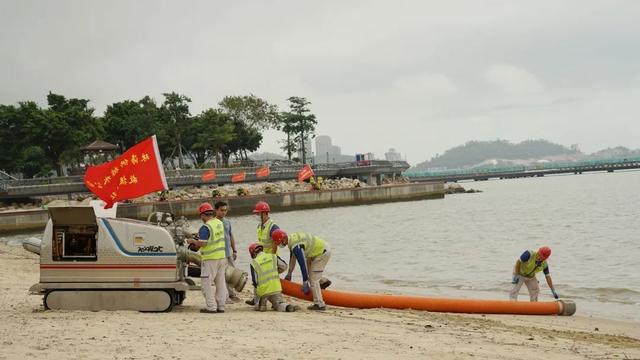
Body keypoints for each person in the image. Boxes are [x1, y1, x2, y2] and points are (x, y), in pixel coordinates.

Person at [273, 229, 331, 311]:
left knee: (313, 279)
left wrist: (305, 282)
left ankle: (320, 304)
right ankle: (323, 282)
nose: (279, 245)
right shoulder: (291, 241)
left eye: (279, 243)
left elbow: (302, 264)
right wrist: (289, 273)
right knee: (313, 276)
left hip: (322, 252)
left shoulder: (296, 246)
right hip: (315, 252)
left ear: (282, 239)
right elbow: (292, 258)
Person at [186, 203, 228, 313]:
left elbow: (203, 244)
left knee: (206, 284)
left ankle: (211, 307)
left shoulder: (206, 227)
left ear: (203, 215)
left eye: (201, 216)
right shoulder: (219, 223)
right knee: (220, 283)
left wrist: (193, 241)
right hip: (222, 257)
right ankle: (221, 306)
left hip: (210, 259)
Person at [248, 243, 300, 312]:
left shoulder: (254, 263)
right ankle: (287, 307)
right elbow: (284, 266)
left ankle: (261, 305)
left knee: (258, 305)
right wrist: (275, 271)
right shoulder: (273, 256)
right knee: (279, 304)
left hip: (263, 291)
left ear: (253, 254)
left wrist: (256, 297)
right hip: (275, 288)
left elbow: (255, 281)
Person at [214, 201, 240, 303]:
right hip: (219, 254)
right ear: (216, 210)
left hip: (229, 253)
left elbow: (230, 236)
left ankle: (231, 294)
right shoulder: (213, 223)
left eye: (225, 210)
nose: (224, 212)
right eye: (222, 210)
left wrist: (235, 250)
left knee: (232, 274)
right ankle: (225, 296)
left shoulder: (227, 222)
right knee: (222, 275)